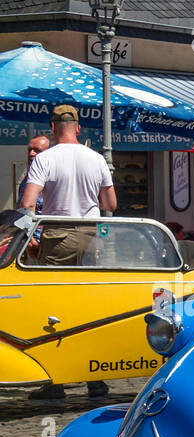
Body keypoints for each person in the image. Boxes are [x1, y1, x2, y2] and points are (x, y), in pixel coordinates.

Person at [20, 105, 115, 400]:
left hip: (58, 234)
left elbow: (27, 203)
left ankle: (56, 381)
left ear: (52, 126)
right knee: (91, 309)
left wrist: (27, 236)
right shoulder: (97, 158)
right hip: (92, 236)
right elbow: (110, 204)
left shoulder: (45, 159)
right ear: (78, 127)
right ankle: (95, 379)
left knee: (55, 310)